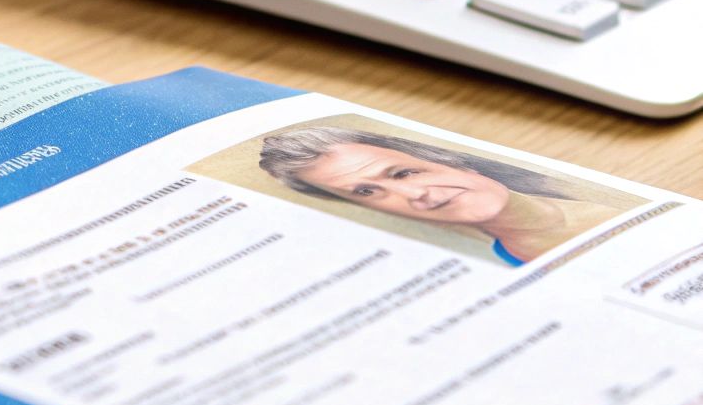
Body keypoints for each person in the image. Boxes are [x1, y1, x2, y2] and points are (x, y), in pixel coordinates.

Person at [258, 127, 631, 265]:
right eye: (367, 191)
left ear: (447, 160)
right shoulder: (488, 265)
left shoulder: (614, 197)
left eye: (404, 172)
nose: (416, 194)